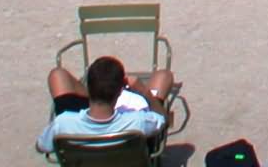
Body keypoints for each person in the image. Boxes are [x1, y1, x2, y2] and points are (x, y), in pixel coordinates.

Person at [37, 55, 173, 154]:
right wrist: (144, 92)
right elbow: (164, 120)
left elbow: (42, 147)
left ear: (88, 88)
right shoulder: (138, 122)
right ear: (120, 91)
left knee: (58, 74)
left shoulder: (62, 124)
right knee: (164, 76)